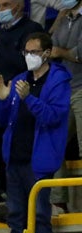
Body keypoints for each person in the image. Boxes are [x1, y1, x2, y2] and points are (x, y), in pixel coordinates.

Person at [0, 30, 71, 233]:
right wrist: (3, 100)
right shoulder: (20, 78)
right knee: (16, 218)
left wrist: (28, 98)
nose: (29, 56)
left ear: (47, 53)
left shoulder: (58, 80)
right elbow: (0, 120)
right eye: (26, 52)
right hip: (14, 160)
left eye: (34, 52)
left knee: (39, 215)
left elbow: (53, 116)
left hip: (39, 161)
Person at [0, 0, 43, 213]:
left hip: (19, 97)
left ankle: (21, 198)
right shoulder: (1, 33)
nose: (1, 9)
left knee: (17, 151)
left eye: (6, 4)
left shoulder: (31, 29)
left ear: (18, 5)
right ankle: (2, 195)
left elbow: (24, 63)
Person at [50, 0, 82, 156]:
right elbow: (50, 50)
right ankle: (59, 182)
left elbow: (80, 53)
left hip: (81, 89)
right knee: (53, 147)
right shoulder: (63, 18)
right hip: (65, 90)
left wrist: (60, 52)